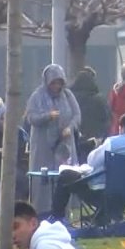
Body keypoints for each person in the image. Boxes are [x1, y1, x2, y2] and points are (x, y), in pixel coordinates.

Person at [52, 113, 125, 221]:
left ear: (123, 128)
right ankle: (101, 217)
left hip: (106, 194)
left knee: (65, 176)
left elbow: (92, 162)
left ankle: (56, 219)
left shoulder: (112, 143)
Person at [26, 64, 82, 211]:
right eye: (53, 83)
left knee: (64, 176)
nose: (56, 86)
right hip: (43, 145)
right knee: (43, 179)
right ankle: (42, 210)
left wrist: (70, 127)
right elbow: (31, 117)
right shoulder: (37, 96)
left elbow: (77, 115)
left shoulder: (68, 95)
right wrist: (47, 116)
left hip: (65, 145)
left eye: (59, 83)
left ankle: (64, 209)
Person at [71, 67, 111, 144]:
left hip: (75, 138)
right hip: (95, 139)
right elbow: (107, 118)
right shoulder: (99, 99)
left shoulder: (69, 98)